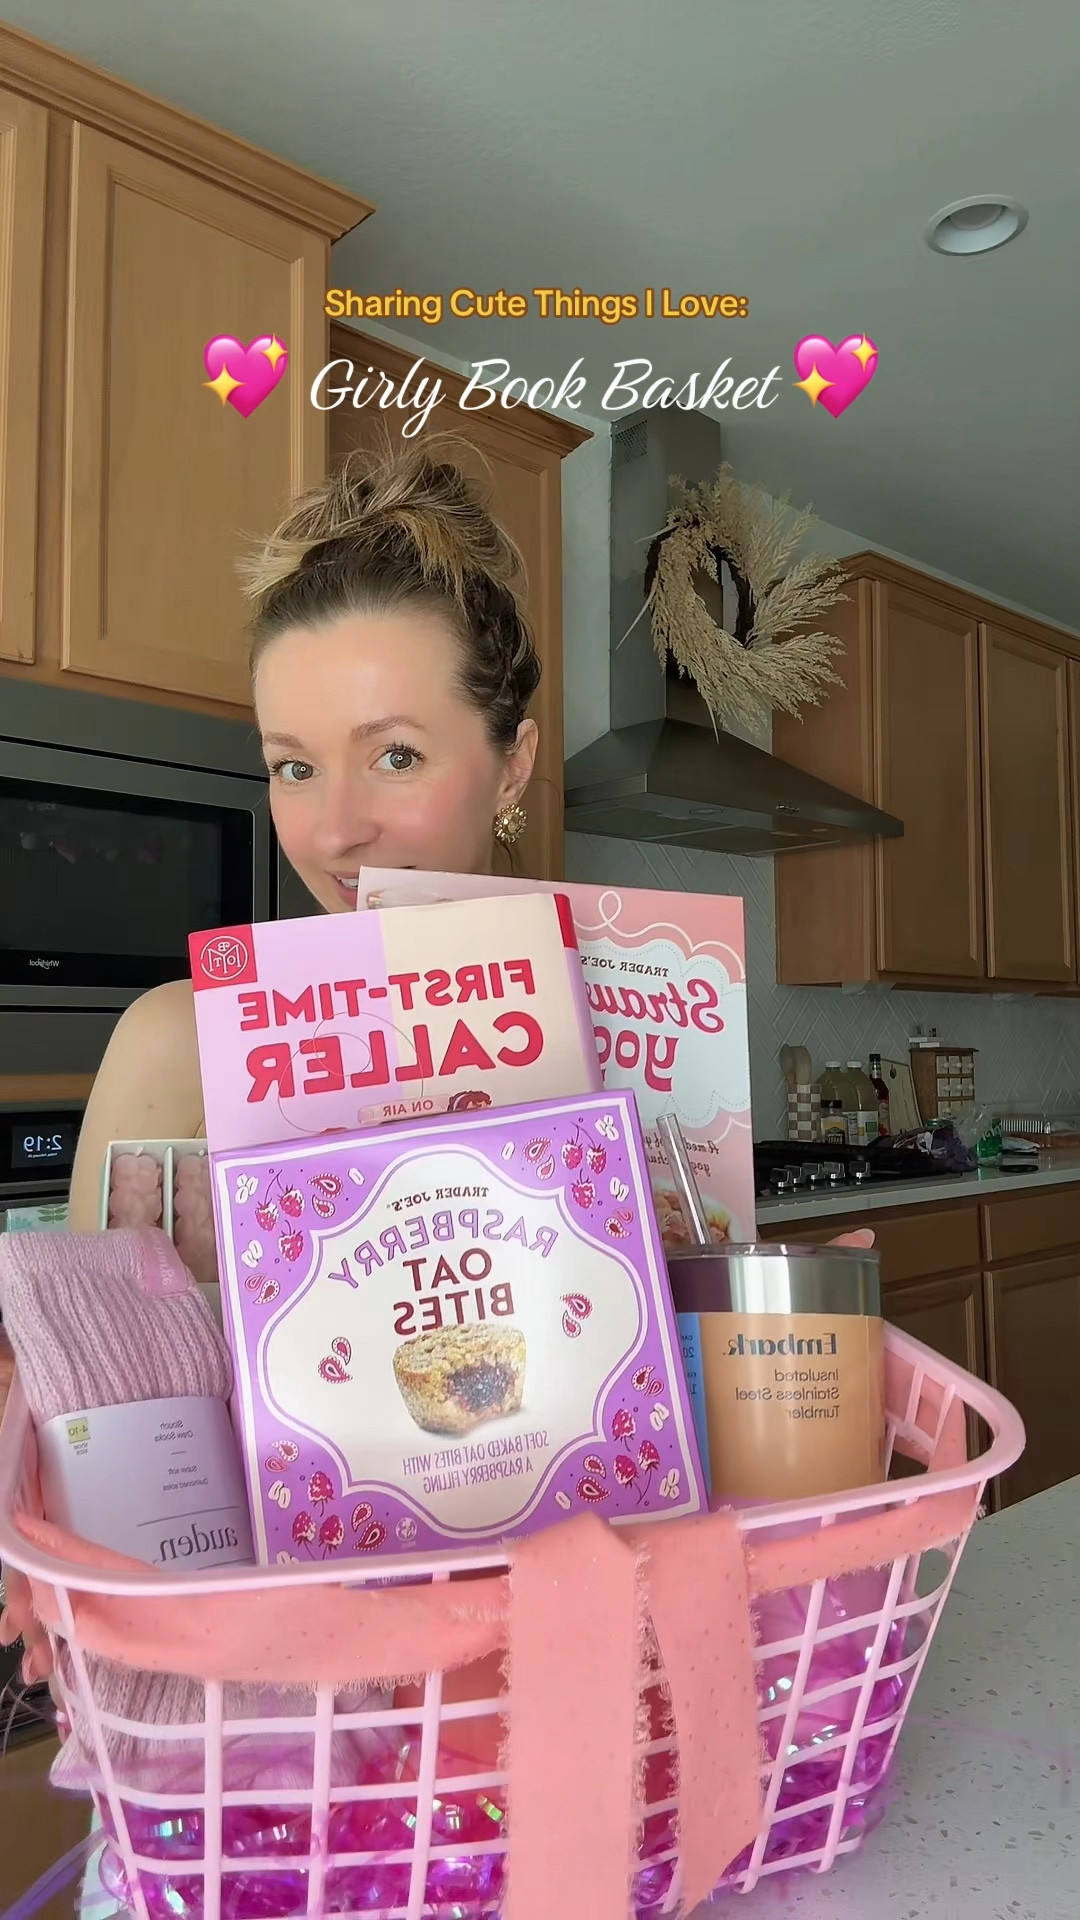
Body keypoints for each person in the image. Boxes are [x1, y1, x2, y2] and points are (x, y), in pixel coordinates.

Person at [0, 437, 871, 1688]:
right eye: (293, 765)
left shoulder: (636, 1022)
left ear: (513, 762)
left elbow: (692, 1458)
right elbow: (109, 1442)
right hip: (297, 1709)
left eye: (394, 754)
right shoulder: (175, 1043)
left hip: (591, 1669)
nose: (331, 824)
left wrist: (784, 1330)